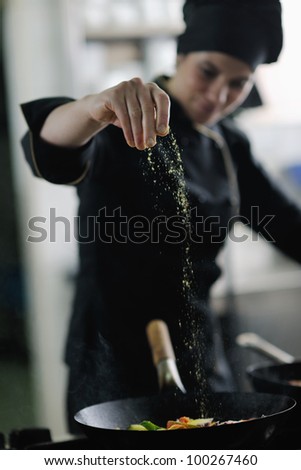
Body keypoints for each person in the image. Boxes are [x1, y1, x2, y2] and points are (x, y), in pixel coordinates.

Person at [20, 0, 301, 433]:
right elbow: (50, 148)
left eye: (238, 84)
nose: (218, 96)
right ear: (181, 54)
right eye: (208, 72)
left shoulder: (228, 145)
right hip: (115, 367)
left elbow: (288, 226)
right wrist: (92, 107)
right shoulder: (120, 122)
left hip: (202, 357)